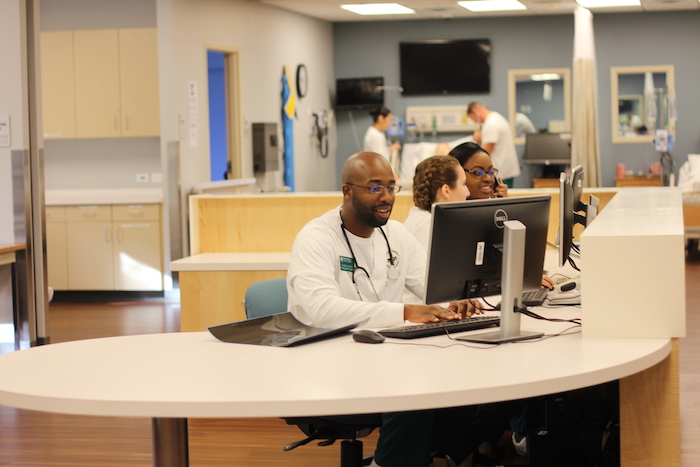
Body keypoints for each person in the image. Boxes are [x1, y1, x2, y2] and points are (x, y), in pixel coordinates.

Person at [287, 151, 481, 467]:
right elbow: (321, 309)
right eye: (374, 188)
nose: (386, 197)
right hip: (329, 360)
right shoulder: (316, 239)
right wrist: (404, 311)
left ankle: (439, 454)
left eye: (391, 187)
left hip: (385, 353)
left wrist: (452, 301)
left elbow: (431, 284)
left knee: (463, 369)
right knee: (414, 383)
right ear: (347, 191)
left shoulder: (396, 235)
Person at [404, 155, 469, 250]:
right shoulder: (429, 227)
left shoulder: (425, 220)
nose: (468, 193)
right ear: (446, 191)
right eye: (463, 184)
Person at [467, 102, 520, 187]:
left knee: (500, 197)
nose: (475, 122)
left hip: (500, 171)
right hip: (507, 169)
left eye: (473, 119)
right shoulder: (497, 118)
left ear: (475, 112)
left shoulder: (491, 124)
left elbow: (485, 153)